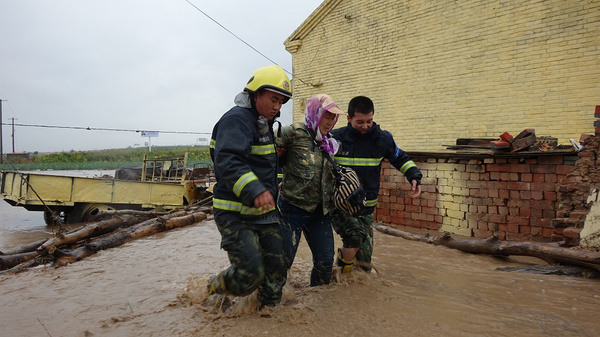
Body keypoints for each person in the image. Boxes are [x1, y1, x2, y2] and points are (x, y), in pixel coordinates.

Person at [207, 64, 291, 309]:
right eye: (273, 99)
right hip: (234, 213)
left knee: (277, 268)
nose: (277, 107)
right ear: (256, 95)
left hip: (263, 213)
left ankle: (266, 315)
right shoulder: (237, 120)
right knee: (250, 274)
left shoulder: (263, 122)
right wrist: (255, 189)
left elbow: (262, 163)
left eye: (282, 103)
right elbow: (228, 160)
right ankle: (213, 288)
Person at [330, 95, 422, 274]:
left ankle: (344, 273)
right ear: (349, 119)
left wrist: (414, 177)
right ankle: (340, 275)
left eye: (369, 121)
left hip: (366, 208)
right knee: (355, 236)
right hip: (340, 206)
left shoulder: (382, 139)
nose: (365, 126)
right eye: (360, 122)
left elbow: (400, 158)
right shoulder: (335, 139)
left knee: (364, 264)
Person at [276, 94, 344, 286]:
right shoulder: (294, 132)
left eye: (333, 118)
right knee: (282, 263)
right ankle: (269, 303)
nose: (330, 122)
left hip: (319, 213)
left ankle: (316, 303)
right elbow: (265, 150)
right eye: (326, 116)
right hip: (291, 209)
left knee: (325, 262)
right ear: (315, 113)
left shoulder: (328, 143)